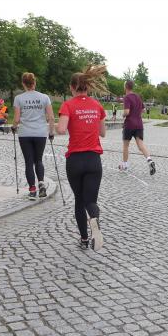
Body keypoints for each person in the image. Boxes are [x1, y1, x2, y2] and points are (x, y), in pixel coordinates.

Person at [55, 65, 108, 251]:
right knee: (90, 201)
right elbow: (103, 133)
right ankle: (94, 219)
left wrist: (56, 125)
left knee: (79, 200)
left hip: (75, 160)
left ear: (72, 87)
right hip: (94, 160)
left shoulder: (68, 105)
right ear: (88, 86)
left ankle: (84, 239)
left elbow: (62, 129)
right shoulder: (97, 106)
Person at [12, 72, 54, 200]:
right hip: (40, 133)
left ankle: (32, 189)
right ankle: (41, 183)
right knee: (39, 160)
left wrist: (14, 127)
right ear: (34, 82)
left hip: (25, 133)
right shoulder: (45, 97)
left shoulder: (18, 98)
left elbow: (17, 119)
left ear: (23, 84)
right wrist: (51, 132)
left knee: (29, 162)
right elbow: (51, 117)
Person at [120, 80, 156, 175]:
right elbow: (143, 110)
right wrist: (136, 114)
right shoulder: (138, 97)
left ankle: (125, 165)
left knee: (126, 145)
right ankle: (149, 160)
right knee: (140, 145)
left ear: (125, 87)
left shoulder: (127, 97)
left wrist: (123, 115)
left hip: (129, 125)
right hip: (139, 124)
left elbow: (127, 112)